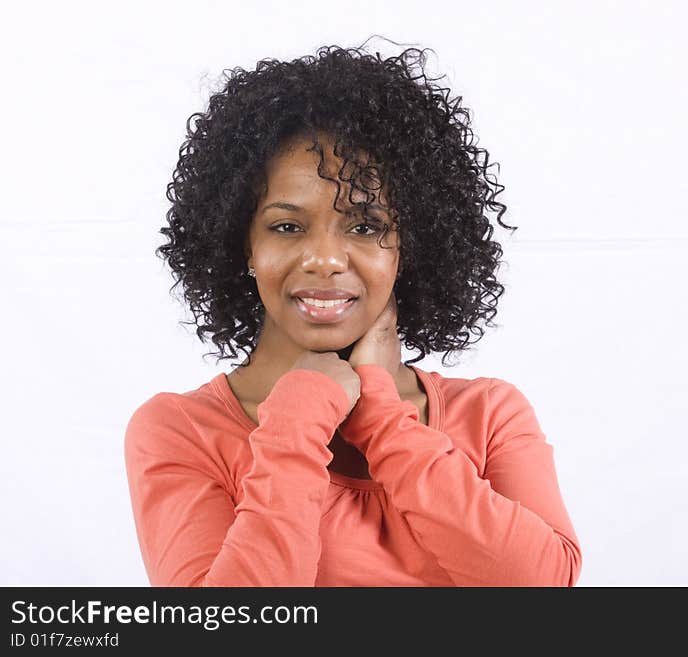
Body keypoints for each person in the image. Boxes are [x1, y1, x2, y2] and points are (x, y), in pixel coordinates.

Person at [124, 43, 582, 586]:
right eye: (287, 226)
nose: (323, 259)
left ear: (408, 247)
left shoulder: (488, 414)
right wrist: (301, 413)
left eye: (365, 226)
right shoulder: (182, 430)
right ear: (242, 246)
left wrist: (384, 418)